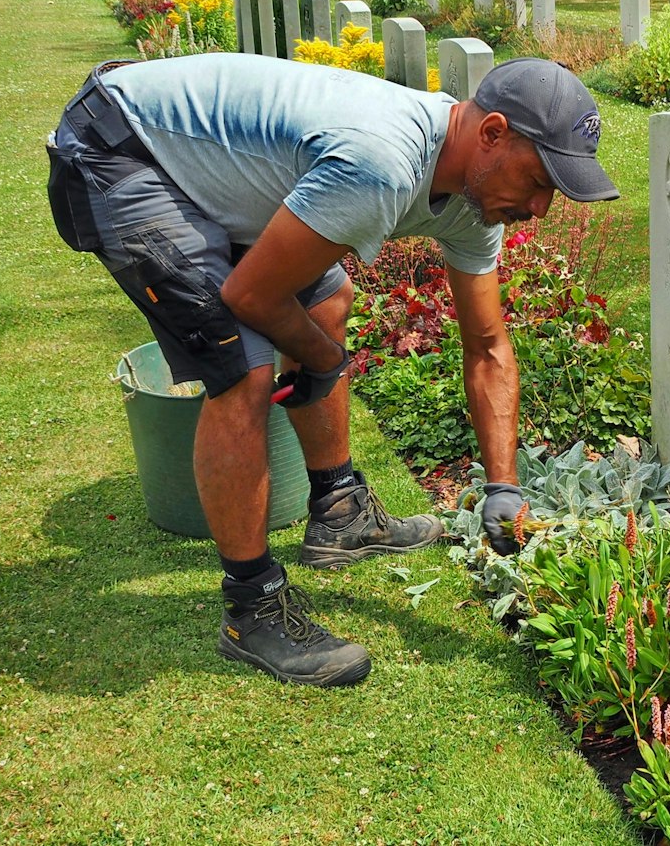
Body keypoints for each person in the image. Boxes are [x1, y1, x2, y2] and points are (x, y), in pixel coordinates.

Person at [45, 54, 618, 687]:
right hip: (119, 150)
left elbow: (486, 345)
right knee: (241, 364)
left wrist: (503, 486)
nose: (540, 208)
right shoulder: (382, 165)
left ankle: (341, 512)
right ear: (492, 133)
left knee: (327, 300)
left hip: (193, 163)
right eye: (537, 180)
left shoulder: (473, 199)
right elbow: (250, 297)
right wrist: (323, 358)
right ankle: (251, 610)